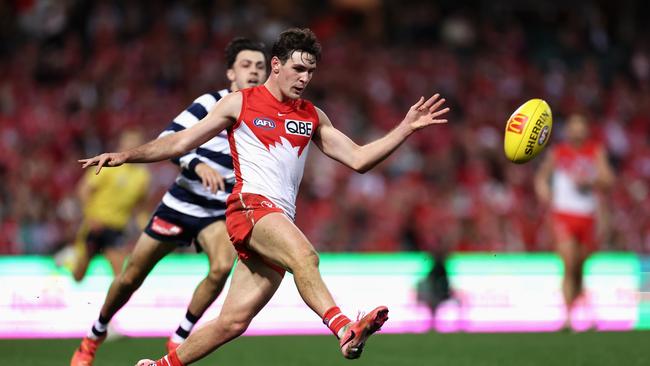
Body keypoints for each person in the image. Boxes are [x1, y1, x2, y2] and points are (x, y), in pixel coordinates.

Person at [79, 28, 450, 365]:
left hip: (276, 221)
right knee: (305, 256)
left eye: (310, 72)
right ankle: (344, 329)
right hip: (249, 207)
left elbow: (358, 159)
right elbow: (178, 142)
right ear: (276, 65)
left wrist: (404, 128)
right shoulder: (239, 103)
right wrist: (126, 156)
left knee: (232, 322)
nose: (304, 79)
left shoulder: (312, 115)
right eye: (298, 69)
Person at [70, 38, 267, 366]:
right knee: (131, 276)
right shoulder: (210, 103)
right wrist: (197, 164)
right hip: (181, 202)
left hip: (218, 211)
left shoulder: (264, 118)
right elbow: (167, 140)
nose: (254, 72)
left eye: (260, 67)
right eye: (246, 65)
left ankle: (179, 337)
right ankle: (95, 334)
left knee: (221, 267)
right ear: (231, 73)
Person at [534, 113, 614, 330]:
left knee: (579, 266)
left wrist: (590, 180)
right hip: (564, 214)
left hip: (587, 215)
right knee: (568, 263)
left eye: (581, 126)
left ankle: (580, 310)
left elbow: (608, 180)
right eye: (573, 126)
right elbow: (541, 177)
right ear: (568, 130)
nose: (577, 130)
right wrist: (544, 193)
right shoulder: (558, 152)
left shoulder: (595, 151)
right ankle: (568, 316)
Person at [62, 129, 151, 283]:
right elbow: (83, 190)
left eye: (135, 142)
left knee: (121, 275)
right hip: (95, 225)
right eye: (128, 142)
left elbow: (140, 206)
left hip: (116, 228)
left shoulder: (143, 176)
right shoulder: (109, 165)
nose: (131, 145)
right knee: (78, 276)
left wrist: (144, 224)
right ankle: (67, 259)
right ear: (121, 144)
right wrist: (90, 216)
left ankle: (115, 306)